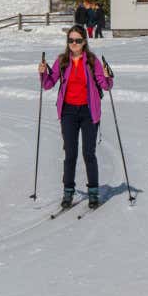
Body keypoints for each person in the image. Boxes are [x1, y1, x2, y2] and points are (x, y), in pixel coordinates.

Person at [38, 26, 114, 209]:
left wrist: (107, 75)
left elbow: (106, 86)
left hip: (89, 111)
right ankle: (68, 192)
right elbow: (48, 85)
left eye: (78, 40)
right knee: (70, 154)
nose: (74, 44)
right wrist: (43, 72)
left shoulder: (92, 61)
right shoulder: (62, 61)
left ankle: (93, 192)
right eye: (71, 40)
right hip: (68, 112)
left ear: (84, 42)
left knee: (89, 153)